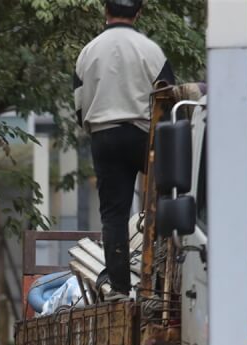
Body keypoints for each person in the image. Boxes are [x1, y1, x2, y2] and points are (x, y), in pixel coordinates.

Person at [74, 0, 175, 300]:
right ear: (139, 12)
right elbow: (169, 98)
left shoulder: (88, 52)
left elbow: (80, 107)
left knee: (114, 214)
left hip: (105, 136)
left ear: (105, 10)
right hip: (146, 135)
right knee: (166, 204)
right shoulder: (151, 50)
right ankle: (161, 284)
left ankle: (119, 288)